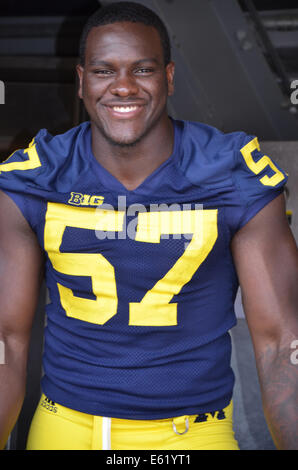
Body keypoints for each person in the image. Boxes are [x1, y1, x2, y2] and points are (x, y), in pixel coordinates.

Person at [0, 1, 297, 451]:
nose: (123, 87)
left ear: (169, 77)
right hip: (64, 427)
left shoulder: (231, 174)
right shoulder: (37, 176)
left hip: (193, 433)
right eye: (104, 71)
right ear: (81, 81)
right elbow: (5, 338)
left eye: (142, 70)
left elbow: (282, 343)